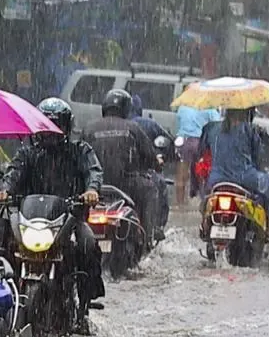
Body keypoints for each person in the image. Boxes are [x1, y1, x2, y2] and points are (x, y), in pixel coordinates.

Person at [0, 97, 105, 334]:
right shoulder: (27, 153)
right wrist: (5, 190)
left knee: (88, 243)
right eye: (46, 124)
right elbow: (13, 173)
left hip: (69, 219)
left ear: (66, 126)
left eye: (57, 125)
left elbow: (93, 171)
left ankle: (83, 307)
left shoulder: (80, 151)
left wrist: (91, 190)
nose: (51, 131)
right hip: (31, 220)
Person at [80, 89, 161, 250]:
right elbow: (150, 158)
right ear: (126, 109)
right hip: (126, 185)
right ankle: (147, 237)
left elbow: (79, 158)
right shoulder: (133, 128)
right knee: (151, 189)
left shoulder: (88, 128)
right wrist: (156, 163)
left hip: (94, 188)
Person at [203, 107, 269, 244]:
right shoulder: (250, 130)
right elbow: (259, 158)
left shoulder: (212, 128)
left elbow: (204, 151)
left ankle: (205, 224)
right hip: (245, 178)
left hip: (216, 179)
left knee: (206, 197)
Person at [128, 94, 173, 236]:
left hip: (115, 175)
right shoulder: (147, 125)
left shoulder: (110, 125)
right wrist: (161, 158)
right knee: (160, 186)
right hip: (142, 172)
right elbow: (168, 143)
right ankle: (157, 227)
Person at [176, 103, 221, 202]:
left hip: (183, 142)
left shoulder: (182, 108)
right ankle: (203, 200)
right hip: (200, 143)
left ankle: (180, 203)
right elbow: (218, 127)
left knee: (181, 174)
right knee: (202, 171)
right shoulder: (210, 109)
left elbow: (178, 125)